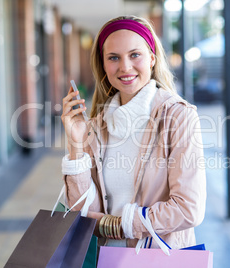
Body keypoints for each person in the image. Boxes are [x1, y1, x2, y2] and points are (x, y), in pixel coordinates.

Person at [60, 15, 206, 249]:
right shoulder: (98, 126)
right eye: (114, 58)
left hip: (159, 260)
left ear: (151, 58)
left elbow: (188, 209)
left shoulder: (178, 117)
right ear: (104, 65)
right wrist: (76, 143)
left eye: (134, 55)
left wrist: (121, 225)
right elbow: (83, 213)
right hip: (107, 260)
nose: (125, 67)